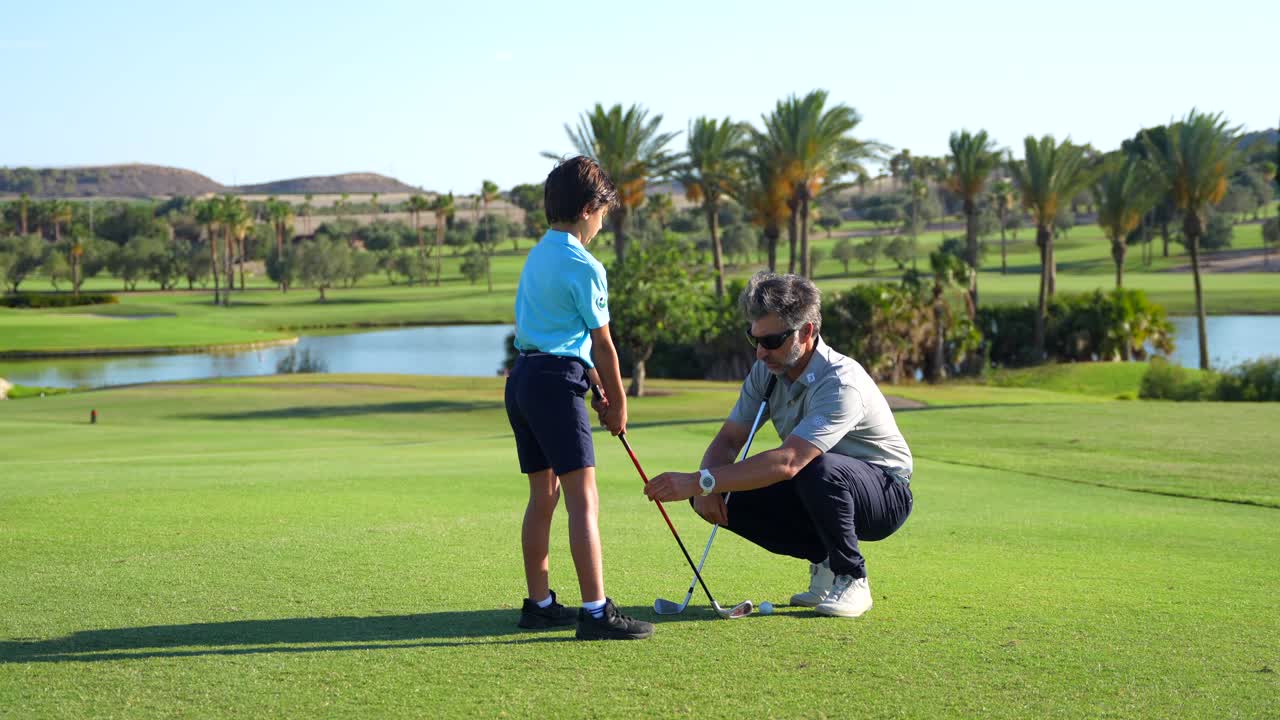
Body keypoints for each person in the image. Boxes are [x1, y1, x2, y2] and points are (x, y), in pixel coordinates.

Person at [643, 271, 914, 618]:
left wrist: (699, 479)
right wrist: (707, 486)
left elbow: (789, 461)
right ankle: (824, 562)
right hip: (819, 483)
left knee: (816, 466)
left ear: (806, 332)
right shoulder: (766, 371)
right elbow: (729, 439)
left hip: (885, 493)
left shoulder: (841, 382)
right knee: (722, 490)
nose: (760, 353)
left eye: (771, 341)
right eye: (753, 339)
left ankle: (852, 578)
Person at [504, 155, 654, 641]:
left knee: (542, 495)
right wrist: (620, 403)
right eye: (603, 215)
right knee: (582, 498)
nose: (601, 225)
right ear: (589, 207)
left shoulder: (537, 255)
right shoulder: (584, 265)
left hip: (523, 379)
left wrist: (585, 372)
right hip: (553, 383)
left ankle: (540, 604)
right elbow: (605, 343)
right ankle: (595, 613)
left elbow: (553, 332)